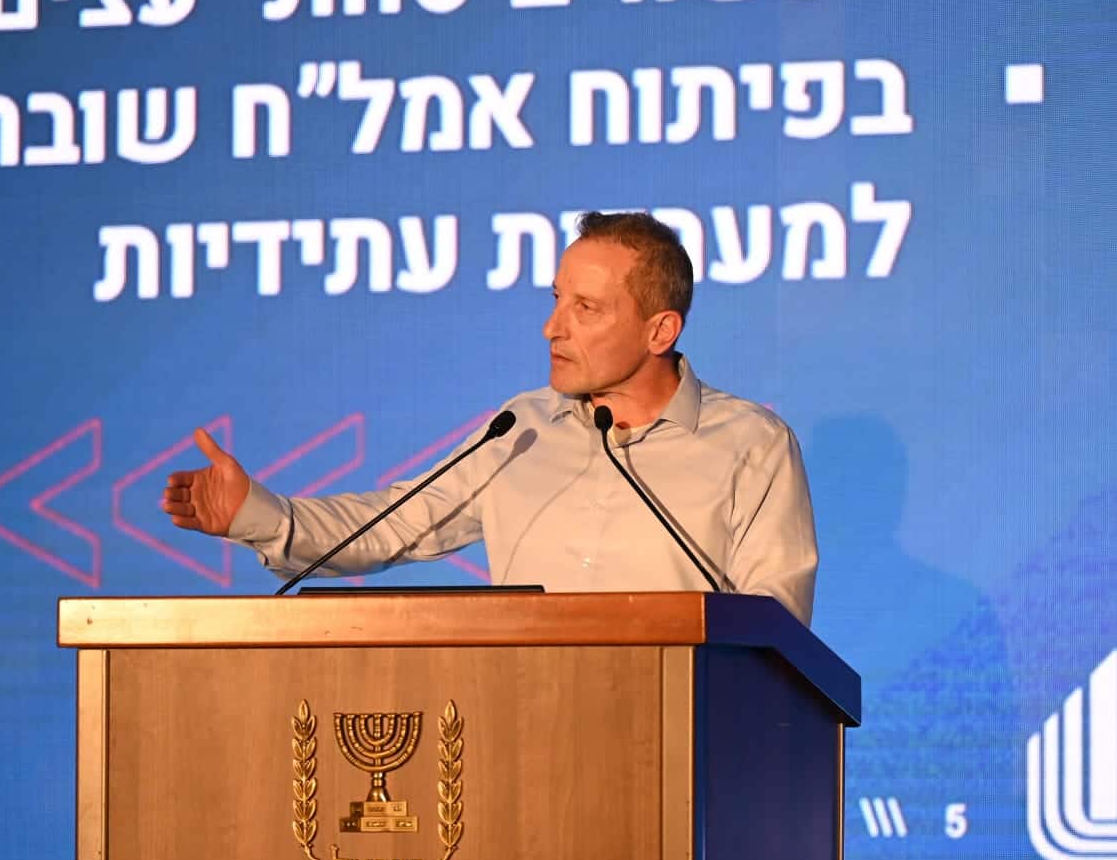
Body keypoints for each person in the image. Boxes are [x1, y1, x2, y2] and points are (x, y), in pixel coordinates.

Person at [163, 211, 819, 622]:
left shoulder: (750, 445)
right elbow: (392, 525)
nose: (552, 327)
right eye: (556, 300)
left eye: (586, 309)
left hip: (680, 747)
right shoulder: (522, 429)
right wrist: (257, 513)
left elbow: (776, 627)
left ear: (660, 331)